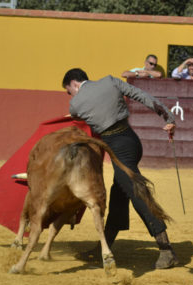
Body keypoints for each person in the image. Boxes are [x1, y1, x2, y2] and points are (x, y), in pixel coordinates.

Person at [62, 68, 178, 269]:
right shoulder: (110, 81)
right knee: (119, 193)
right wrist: (168, 118)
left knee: (137, 193)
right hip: (132, 142)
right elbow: (142, 96)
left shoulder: (76, 104)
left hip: (118, 149)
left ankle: (166, 250)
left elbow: (77, 119)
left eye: (68, 91)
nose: (69, 95)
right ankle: (105, 247)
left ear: (74, 83)